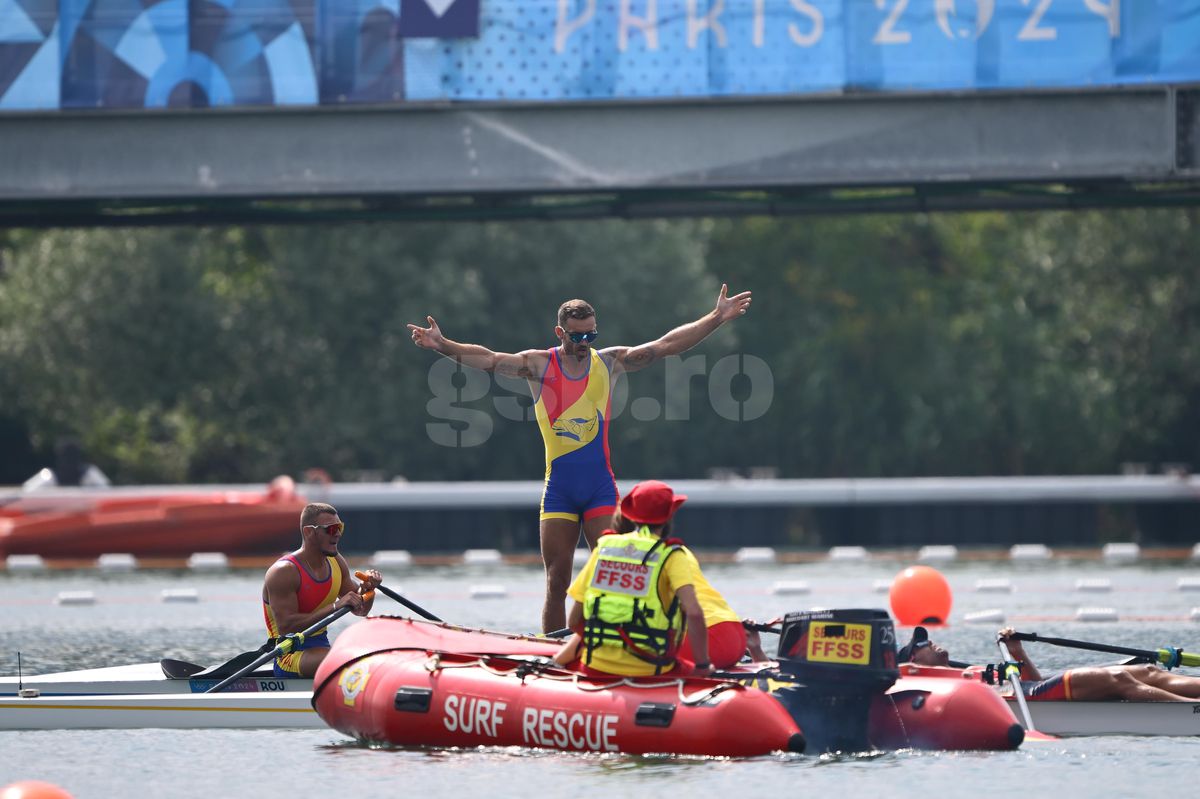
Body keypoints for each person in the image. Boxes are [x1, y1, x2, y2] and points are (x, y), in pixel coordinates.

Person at [408, 284, 753, 633]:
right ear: (559, 332)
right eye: (577, 336)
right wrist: (442, 345)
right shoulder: (538, 365)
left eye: (591, 334)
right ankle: (554, 652)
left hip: (600, 489)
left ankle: (612, 645)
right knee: (557, 583)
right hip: (559, 489)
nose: (585, 342)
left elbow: (665, 346)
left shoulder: (610, 362)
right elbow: (491, 360)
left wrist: (716, 317)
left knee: (614, 576)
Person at [552, 479, 738, 678]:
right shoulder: (672, 554)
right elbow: (693, 612)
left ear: (632, 516)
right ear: (668, 517)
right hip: (653, 667)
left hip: (598, 665)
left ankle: (556, 663)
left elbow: (573, 621)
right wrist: (702, 666)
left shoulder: (605, 547)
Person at [896, 626, 1200, 702]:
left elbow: (1032, 679)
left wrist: (1017, 651)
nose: (930, 642)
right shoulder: (933, 683)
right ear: (913, 662)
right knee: (1118, 678)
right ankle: (1190, 713)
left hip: (1035, 689)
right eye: (921, 645)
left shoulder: (959, 672)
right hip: (1028, 698)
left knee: (1148, 671)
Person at [262, 502, 381, 678]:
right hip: (288, 654)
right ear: (309, 531)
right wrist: (336, 606)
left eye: (340, 527)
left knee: (375, 653)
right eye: (331, 529)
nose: (338, 534)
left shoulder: (336, 562)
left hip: (320, 648)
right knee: (353, 659)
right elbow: (287, 627)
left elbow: (361, 609)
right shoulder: (284, 571)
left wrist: (369, 589)